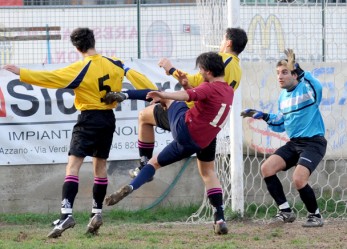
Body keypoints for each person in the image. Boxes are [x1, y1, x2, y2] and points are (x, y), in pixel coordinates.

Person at [3, 27, 157, 238]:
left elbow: (49, 78)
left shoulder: (80, 68)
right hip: (107, 120)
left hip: (88, 119)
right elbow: (137, 76)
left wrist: (22, 73)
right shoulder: (114, 63)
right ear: (94, 41)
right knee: (100, 166)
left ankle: (66, 214)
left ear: (76, 47)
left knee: (73, 165)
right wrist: (154, 92)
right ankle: (97, 212)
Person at [104, 27, 248, 233]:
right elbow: (202, 91)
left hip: (188, 120)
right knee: (207, 172)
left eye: (223, 38)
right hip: (207, 134)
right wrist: (186, 86)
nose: (221, 41)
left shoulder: (221, 62)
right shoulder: (234, 78)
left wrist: (171, 74)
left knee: (149, 111)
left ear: (229, 43)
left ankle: (126, 97)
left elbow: (195, 90)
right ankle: (219, 218)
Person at [240, 49, 327, 227]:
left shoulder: (307, 89)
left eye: (285, 72)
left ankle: (315, 215)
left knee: (298, 179)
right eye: (278, 73)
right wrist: (263, 115)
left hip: (313, 142)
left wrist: (301, 70)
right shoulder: (282, 97)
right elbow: (281, 123)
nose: (280, 76)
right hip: (294, 143)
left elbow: (317, 87)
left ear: (295, 75)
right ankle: (285, 211)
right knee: (266, 168)